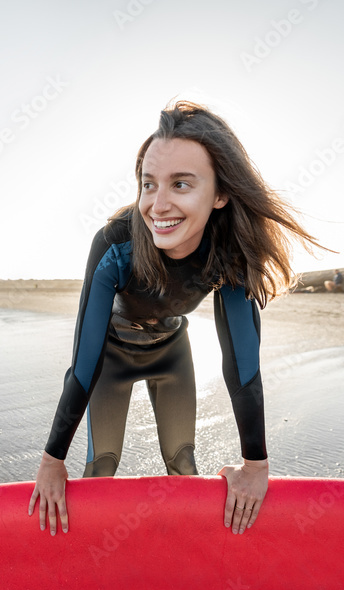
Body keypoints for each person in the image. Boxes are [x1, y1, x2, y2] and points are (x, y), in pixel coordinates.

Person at [28, 101, 326, 537]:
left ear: (220, 193)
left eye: (181, 184)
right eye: (149, 184)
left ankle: (188, 568)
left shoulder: (229, 256)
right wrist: (52, 462)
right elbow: (85, 358)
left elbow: (242, 366)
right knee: (101, 468)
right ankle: (90, 572)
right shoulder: (115, 243)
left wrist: (255, 466)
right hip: (110, 358)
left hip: (172, 354)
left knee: (183, 466)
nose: (158, 205)